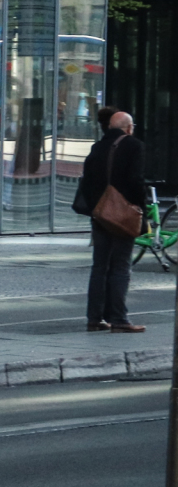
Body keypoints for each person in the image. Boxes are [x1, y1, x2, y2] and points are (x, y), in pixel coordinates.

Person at [81, 110, 147, 333]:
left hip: (100, 215)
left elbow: (87, 181)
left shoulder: (97, 147)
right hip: (122, 215)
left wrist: (96, 208)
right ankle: (119, 319)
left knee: (99, 266)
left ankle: (94, 318)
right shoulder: (133, 146)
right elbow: (136, 180)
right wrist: (140, 207)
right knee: (121, 266)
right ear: (128, 127)